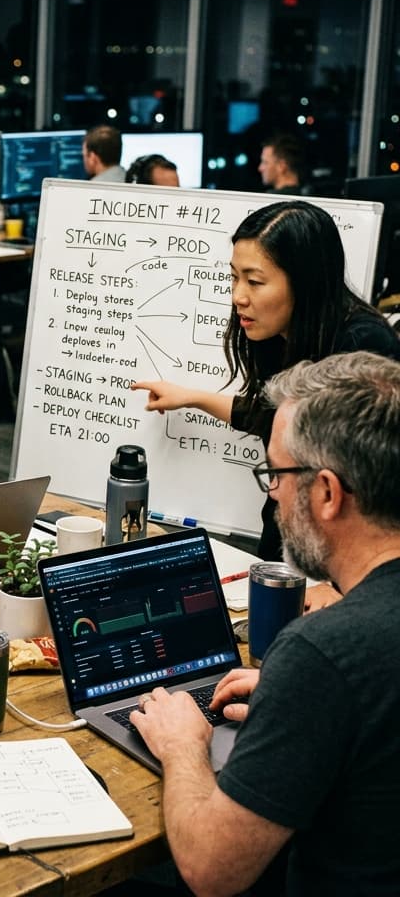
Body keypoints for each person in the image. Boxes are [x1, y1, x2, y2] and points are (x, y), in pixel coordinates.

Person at [129, 351, 400, 896]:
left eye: (275, 473)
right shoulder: (335, 662)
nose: (272, 491)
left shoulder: (323, 651)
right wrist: (296, 701)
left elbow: (211, 871)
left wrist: (183, 744)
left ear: (327, 493)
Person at [131, 199, 400, 575]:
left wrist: (335, 583)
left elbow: (376, 497)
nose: (238, 295)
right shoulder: (278, 336)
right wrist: (191, 398)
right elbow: (274, 419)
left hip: (342, 563)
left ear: (304, 283)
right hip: (288, 540)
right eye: (234, 277)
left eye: (254, 281)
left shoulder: (361, 349)